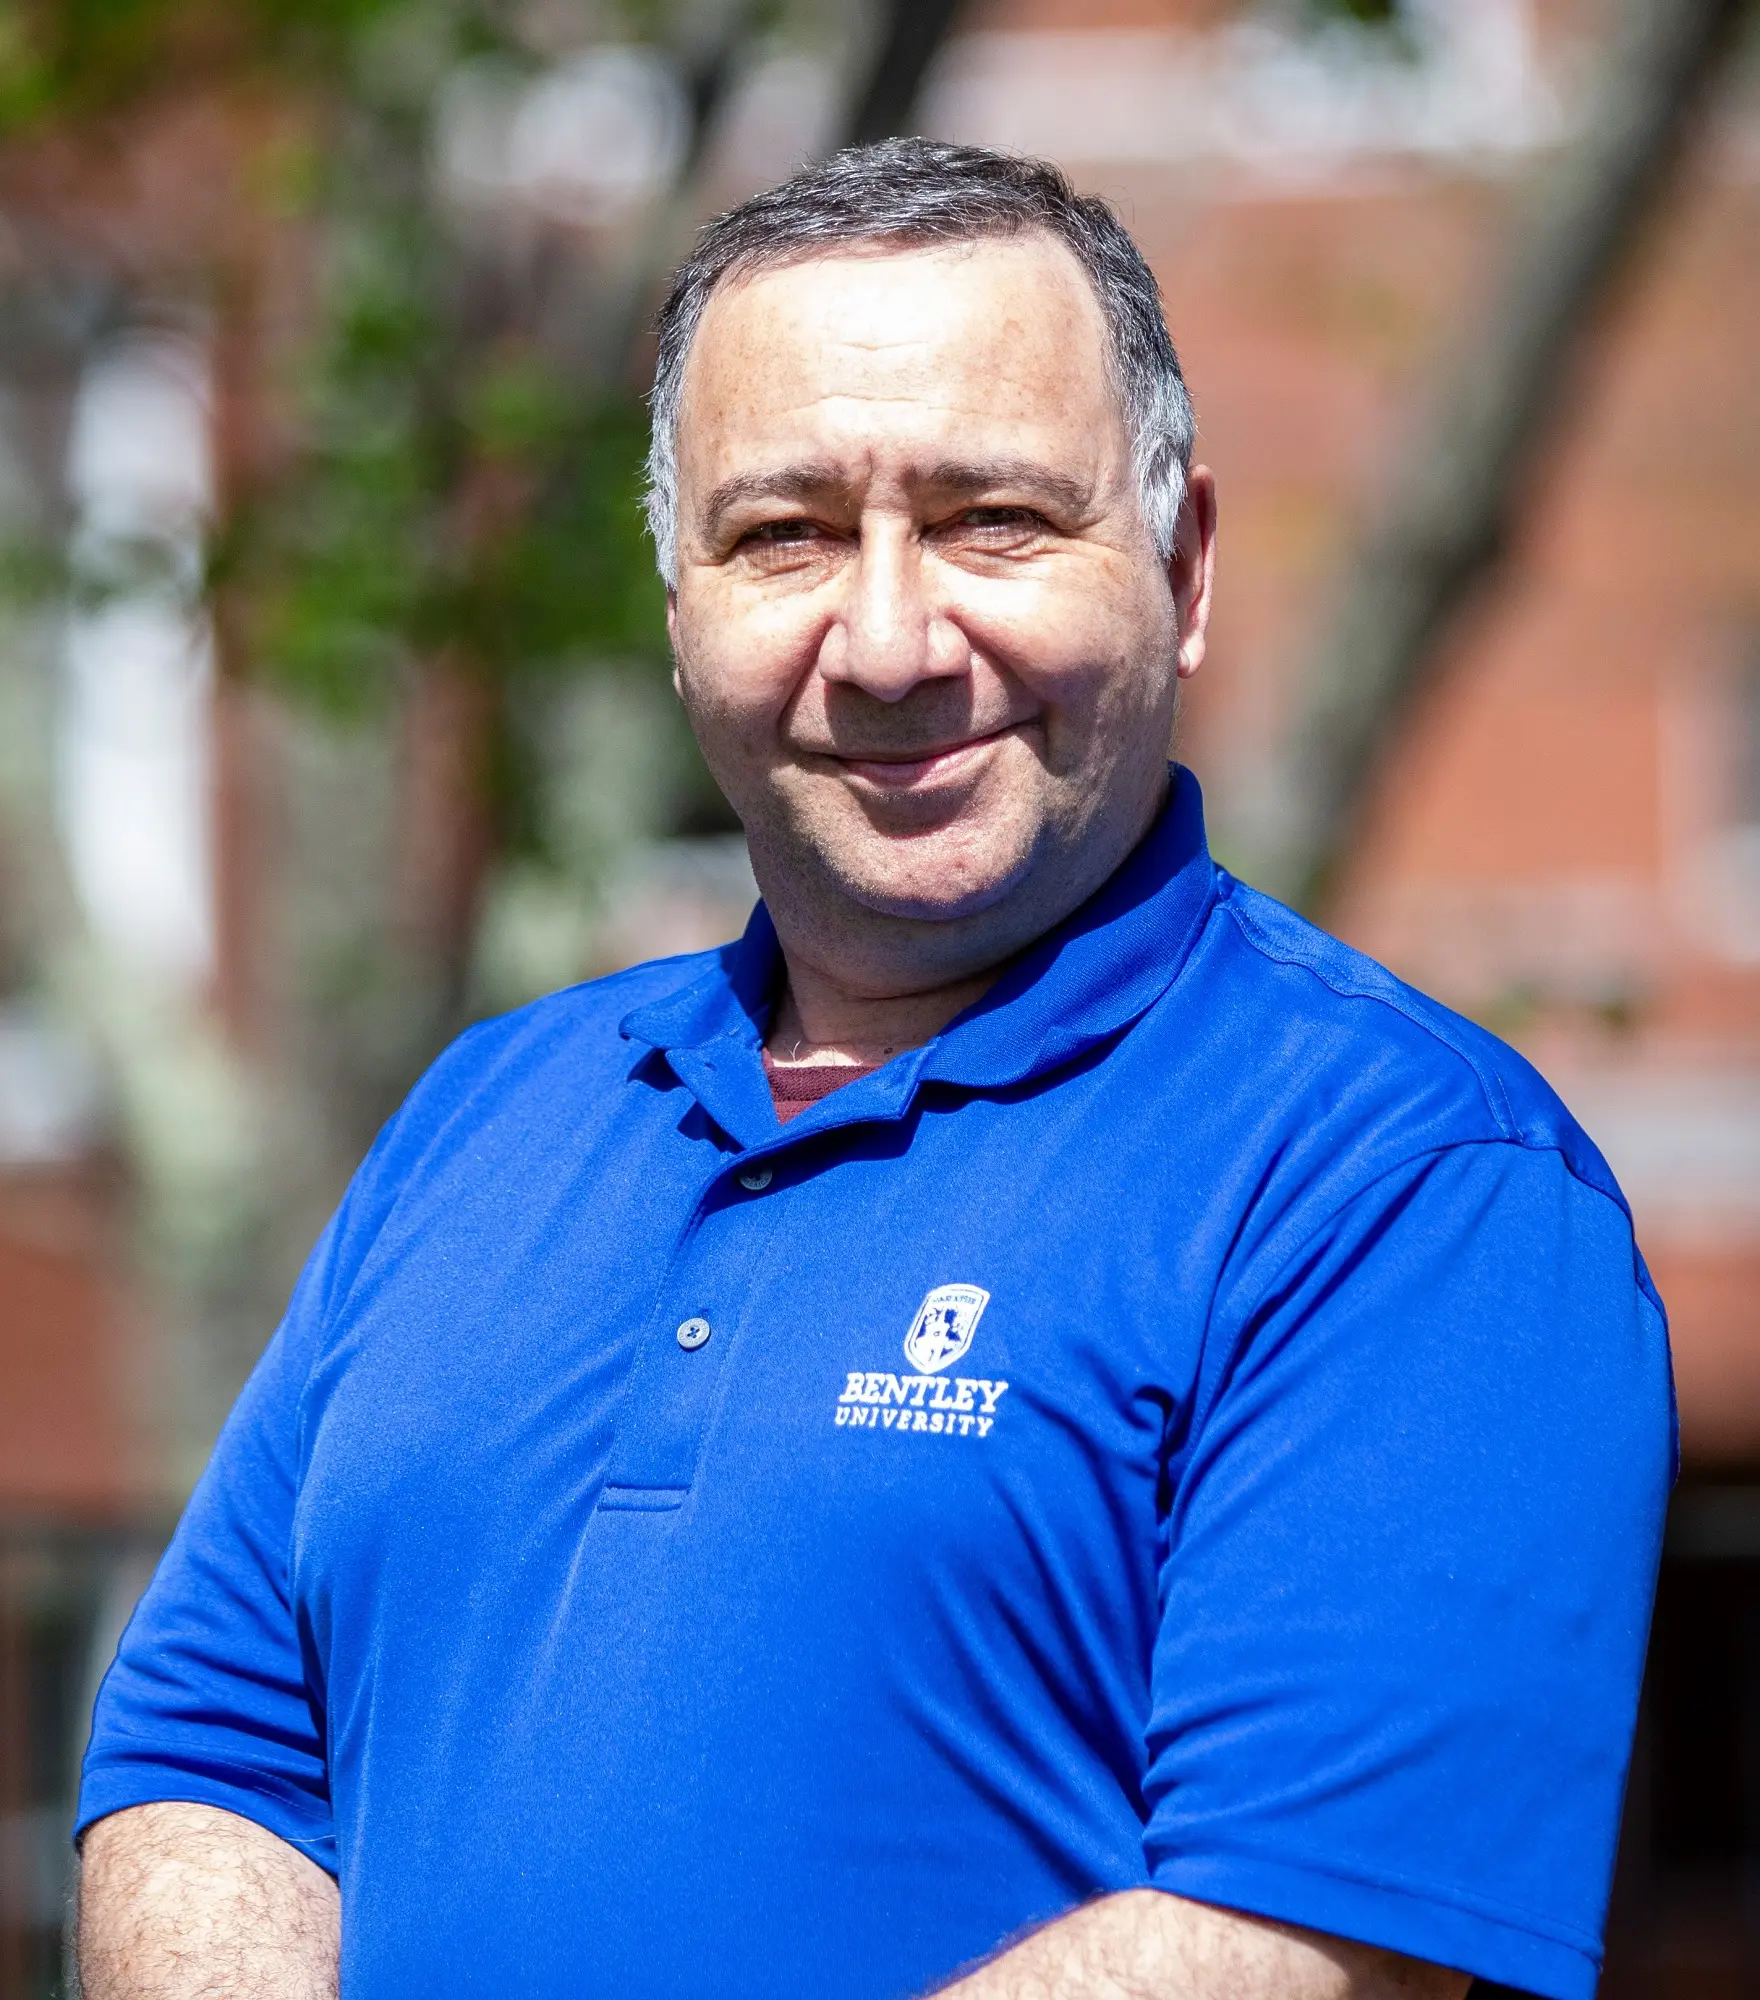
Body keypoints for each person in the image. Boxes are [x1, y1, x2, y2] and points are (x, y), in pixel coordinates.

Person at [74, 140, 1673, 2000]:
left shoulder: (1412, 1185)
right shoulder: (486, 1118)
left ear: (1182, 567)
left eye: (993, 520)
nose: (893, 643)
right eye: (788, 536)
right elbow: (210, 1762)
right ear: (678, 602)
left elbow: (1294, 1941)